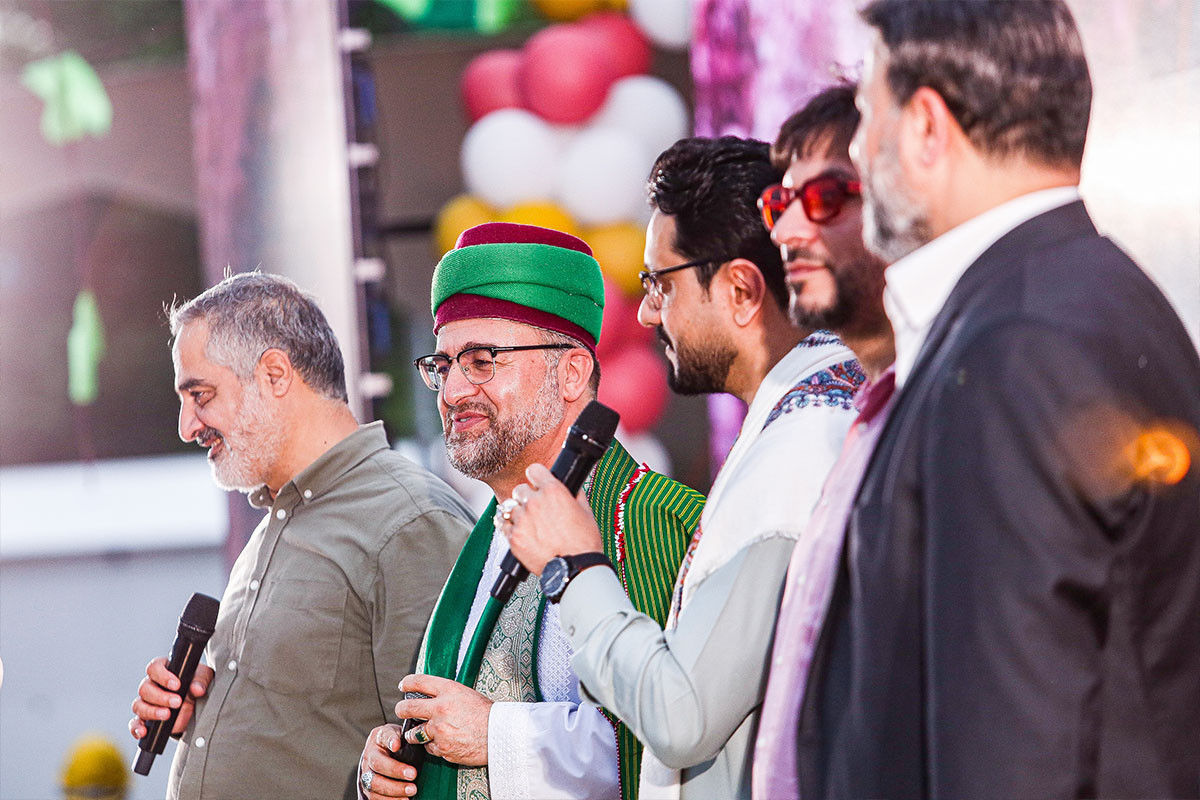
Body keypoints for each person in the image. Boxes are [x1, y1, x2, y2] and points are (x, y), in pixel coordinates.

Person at [799, 2, 1200, 798]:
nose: (857, 150)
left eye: (868, 114)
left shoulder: (1019, 345)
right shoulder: (1076, 297)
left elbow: (1012, 747)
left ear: (925, 126)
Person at [500, 137, 863, 799]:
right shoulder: (818, 412)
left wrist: (576, 565)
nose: (646, 313)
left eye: (660, 285)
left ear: (742, 290)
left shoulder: (801, 448)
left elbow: (682, 715)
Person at [356, 222, 705, 800]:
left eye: (482, 360)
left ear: (571, 373)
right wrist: (396, 762)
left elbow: (673, 747)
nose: (452, 392)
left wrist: (495, 735)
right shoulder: (489, 533)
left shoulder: (654, 522)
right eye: (443, 365)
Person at [127, 272, 474, 800]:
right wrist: (207, 712)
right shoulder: (276, 521)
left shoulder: (412, 522)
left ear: (274, 374)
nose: (186, 426)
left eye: (200, 394)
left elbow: (444, 761)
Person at [748, 83, 897, 800]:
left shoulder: (969, 387)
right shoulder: (867, 409)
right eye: (780, 203)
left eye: (828, 197)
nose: (786, 230)